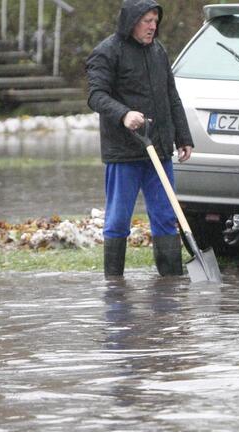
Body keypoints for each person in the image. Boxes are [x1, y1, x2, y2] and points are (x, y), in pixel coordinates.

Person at [86, 0, 194, 278]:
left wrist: (183, 136)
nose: (152, 26)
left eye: (155, 21)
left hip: (158, 150)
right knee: (118, 220)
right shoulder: (107, 52)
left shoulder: (158, 51)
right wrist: (124, 114)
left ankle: (170, 282)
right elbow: (96, 96)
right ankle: (114, 284)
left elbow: (172, 97)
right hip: (124, 152)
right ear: (131, 21)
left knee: (166, 218)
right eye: (147, 21)